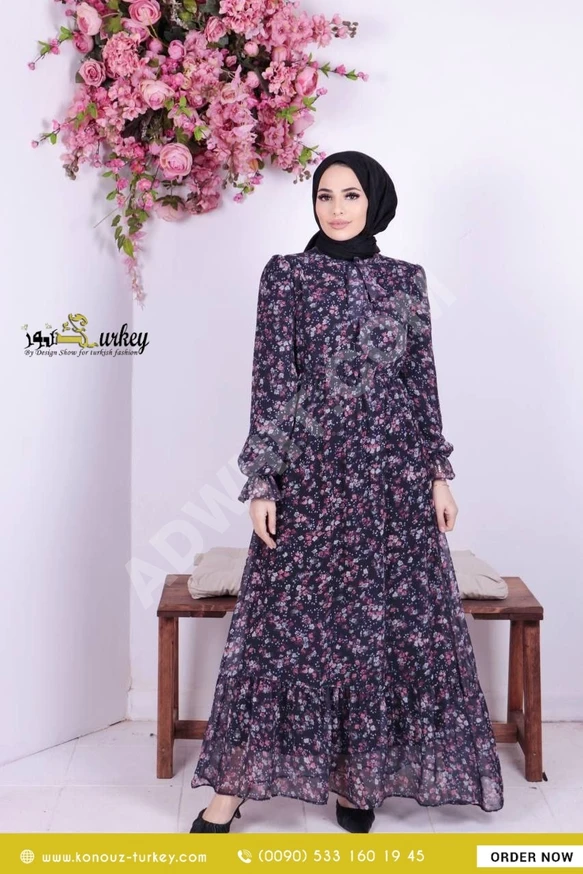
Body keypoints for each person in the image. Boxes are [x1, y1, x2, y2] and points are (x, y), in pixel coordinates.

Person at [189, 150, 504, 834]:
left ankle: (358, 783)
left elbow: (419, 383)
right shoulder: (287, 276)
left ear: (374, 202)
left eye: (351, 195)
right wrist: (264, 480)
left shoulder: (405, 280)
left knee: (377, 626)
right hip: (311, 474)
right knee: (283, 626)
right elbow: (272, 382)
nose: (335, 208)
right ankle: (231, 789)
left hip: (392, 479)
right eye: (325, 195)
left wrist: (438, 473)